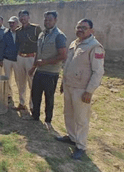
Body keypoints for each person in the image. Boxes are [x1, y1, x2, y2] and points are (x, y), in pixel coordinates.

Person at [56, 19, 104, 160]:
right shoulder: (74, 43)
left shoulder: (95, 46)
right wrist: (63, 83)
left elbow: (98, 72)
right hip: (69, 85)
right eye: (78, 27)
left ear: (91, 31)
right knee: (69, 113)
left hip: (82, 89)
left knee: (81, 118)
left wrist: (89, 91)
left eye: (84, 27)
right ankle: (72, 137)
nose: (80, 30)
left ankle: (81, 146)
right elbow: (68, 64)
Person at [28, 11, 67, 130]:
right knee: (35, 95)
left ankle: (48, 120)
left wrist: (45, 62)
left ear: (55, 20)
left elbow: (63, 56)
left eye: (49, 19)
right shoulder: (42, 34)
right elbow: (38, 53)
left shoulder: (59, 35)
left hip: (51, 73)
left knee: (49, 97)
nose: (47, 22)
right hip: (39, 71)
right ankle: (35, 116)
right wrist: (34, 67)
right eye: (45, 19)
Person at [15, 10, 42, 111]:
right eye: (21, 16)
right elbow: (18, 45)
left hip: (31, 58)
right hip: (20, 57)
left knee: (32, 82)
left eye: (24, 16)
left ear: (28, 17)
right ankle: (22, 103)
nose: (23, 18)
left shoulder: (36, 29)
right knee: (20, 82)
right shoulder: (18, 31)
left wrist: (36, 61)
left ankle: (32, 105)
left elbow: (40, 46)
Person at [0, 16, 20, 105]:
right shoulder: (6, 33)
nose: (11, 24)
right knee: (7, 78)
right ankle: (8, 95)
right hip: (7, 59)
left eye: (13, 23)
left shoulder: (20, 33)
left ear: (17, 23)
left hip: (17, 60)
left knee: (19, 79)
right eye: (10, 23)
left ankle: (21, 98)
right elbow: (2, 47)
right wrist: (1, 58)